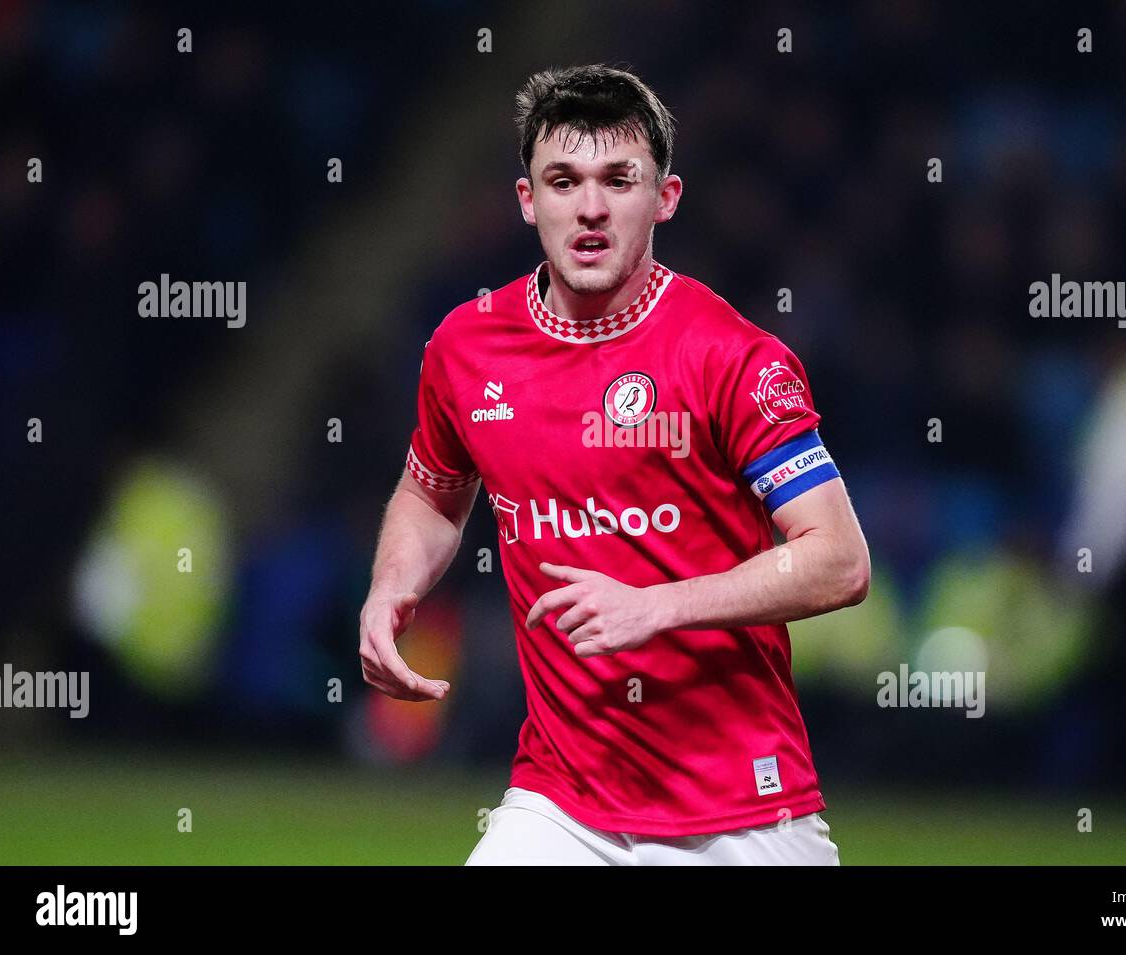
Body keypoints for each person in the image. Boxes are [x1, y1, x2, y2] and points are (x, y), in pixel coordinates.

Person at [358, 64, 871, 865]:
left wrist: (656, 605)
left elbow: (839, 560)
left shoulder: (733, 357)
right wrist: (394, 586)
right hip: (560, 805)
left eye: (617, 180)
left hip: (740, 811)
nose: (590, 207)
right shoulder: (465, 348)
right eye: (563, 180)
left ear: (664, 196)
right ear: (528, 200)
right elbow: (434, 491)